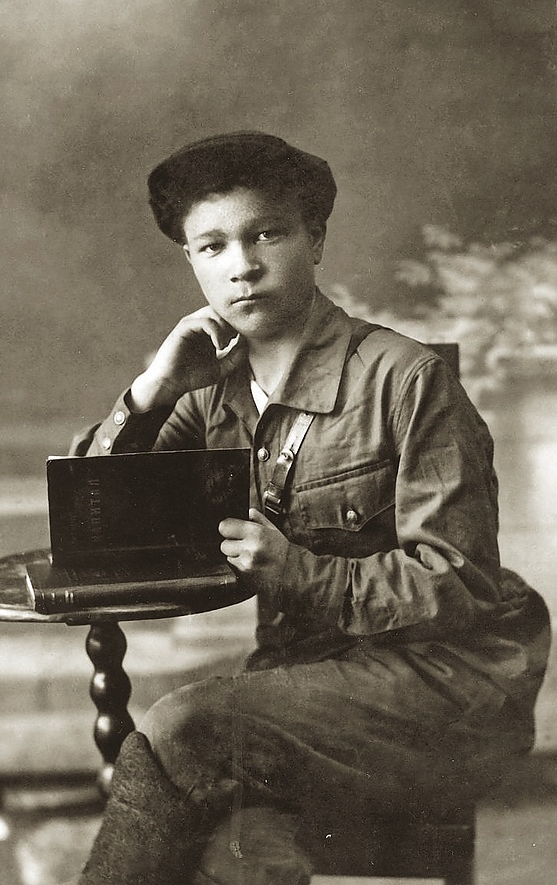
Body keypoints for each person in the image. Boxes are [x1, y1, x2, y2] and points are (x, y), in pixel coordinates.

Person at [73, 132, 550, 885]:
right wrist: (151, 391)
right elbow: (92, 517)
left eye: (268, 234)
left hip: (445, 685)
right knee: (234, 850)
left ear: (316, 240)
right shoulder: (210, 387)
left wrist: (300, 571)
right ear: (191, 261)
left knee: (185, 725)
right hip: (308, 677)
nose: (242, 265)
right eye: (213, 246)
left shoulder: (406, 380)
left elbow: (460, 584)